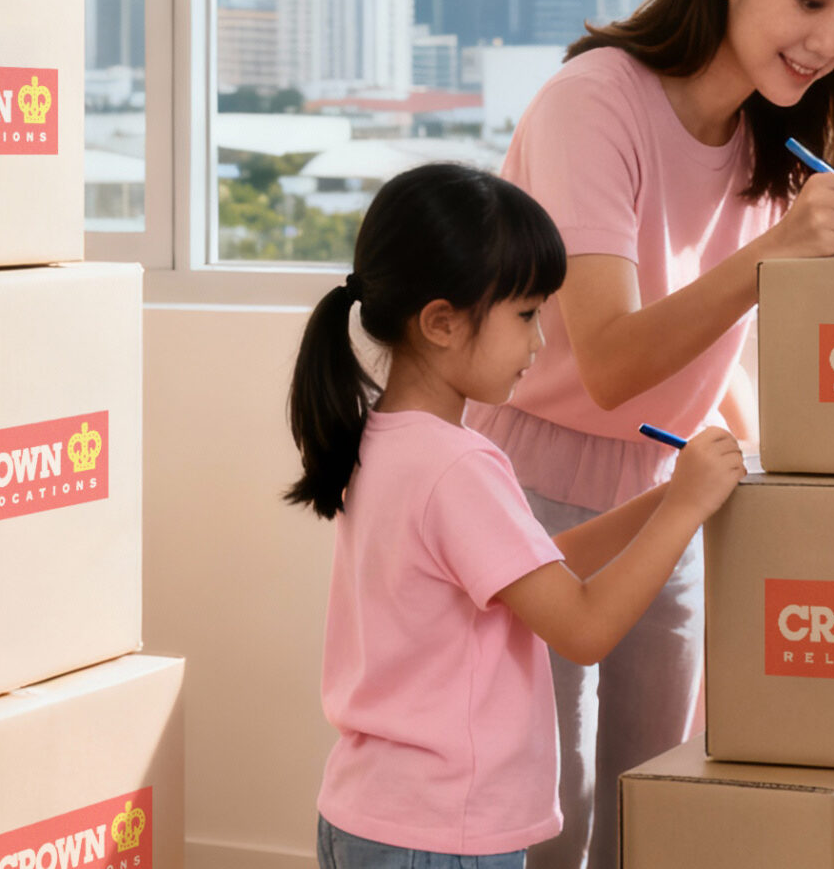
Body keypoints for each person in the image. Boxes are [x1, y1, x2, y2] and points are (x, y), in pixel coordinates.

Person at [470, 0, 834, 869]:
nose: (826, 41)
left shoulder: (776, 142)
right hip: (525, 492)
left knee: (652, 814)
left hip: (669, 490)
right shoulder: (597, 100)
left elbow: (732, 352)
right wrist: (781, 249)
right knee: (549, 823)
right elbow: (613, 361)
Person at [287, 162, 748, 869]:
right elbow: (583, 625)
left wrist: (662, 499)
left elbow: (538, 562)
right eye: (528, 315)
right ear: (441, 321)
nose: (539, 345)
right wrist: (684, 508)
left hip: (369, 816)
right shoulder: (458, 467)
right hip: (441, 837)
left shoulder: (382, 440)